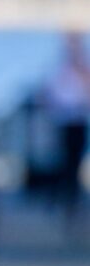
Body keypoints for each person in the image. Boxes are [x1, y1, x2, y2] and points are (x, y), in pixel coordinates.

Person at [43, 32, 90, 229]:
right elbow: (50, 94)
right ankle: (63, 201)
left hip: (78, 121)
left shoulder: (81, 68)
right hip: (64, 122)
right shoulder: (61, 69)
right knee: (64, 163)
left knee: (74, 163)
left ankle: (70, 202)